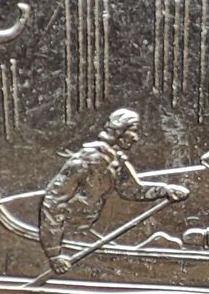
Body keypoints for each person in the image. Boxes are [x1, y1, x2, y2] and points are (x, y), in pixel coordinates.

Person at [39, 108, 188, 273]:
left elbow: (131, 190)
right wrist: (54, 254)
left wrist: (165, 190)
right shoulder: (84, 161)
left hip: (83, 232)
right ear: (118, 131)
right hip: (65, 235)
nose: (136, 138)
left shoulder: (114, 160)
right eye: (133, 131)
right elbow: (53, 201)